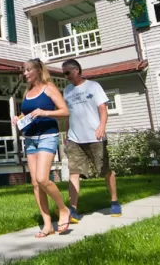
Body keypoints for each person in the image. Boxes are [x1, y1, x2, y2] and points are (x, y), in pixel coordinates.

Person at [11, 58, 71, 238]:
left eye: (28, 70)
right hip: (30, 138)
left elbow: (65, 111)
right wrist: (18, 118)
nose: (25, 73)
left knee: (43, 179)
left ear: (38, 70)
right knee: (36, 183)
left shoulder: (49, 88)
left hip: (47, 136)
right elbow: (26, 114)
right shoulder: (27, 92)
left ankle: (63, 209)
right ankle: (47, 225)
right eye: (24, 70)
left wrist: (44, 112)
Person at [61, 58, 121, 223]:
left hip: (95, 136)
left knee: (105, 170)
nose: (66, 76)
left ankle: (114, 201)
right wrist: (67, 135)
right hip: (75, 138)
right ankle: (73, 209)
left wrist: (102, 126)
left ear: (77, 70)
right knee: (74, 173)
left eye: (68, 73)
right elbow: (69, 115)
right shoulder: (67, 91)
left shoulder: (93, 86)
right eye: (64, 73)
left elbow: (103, 109)